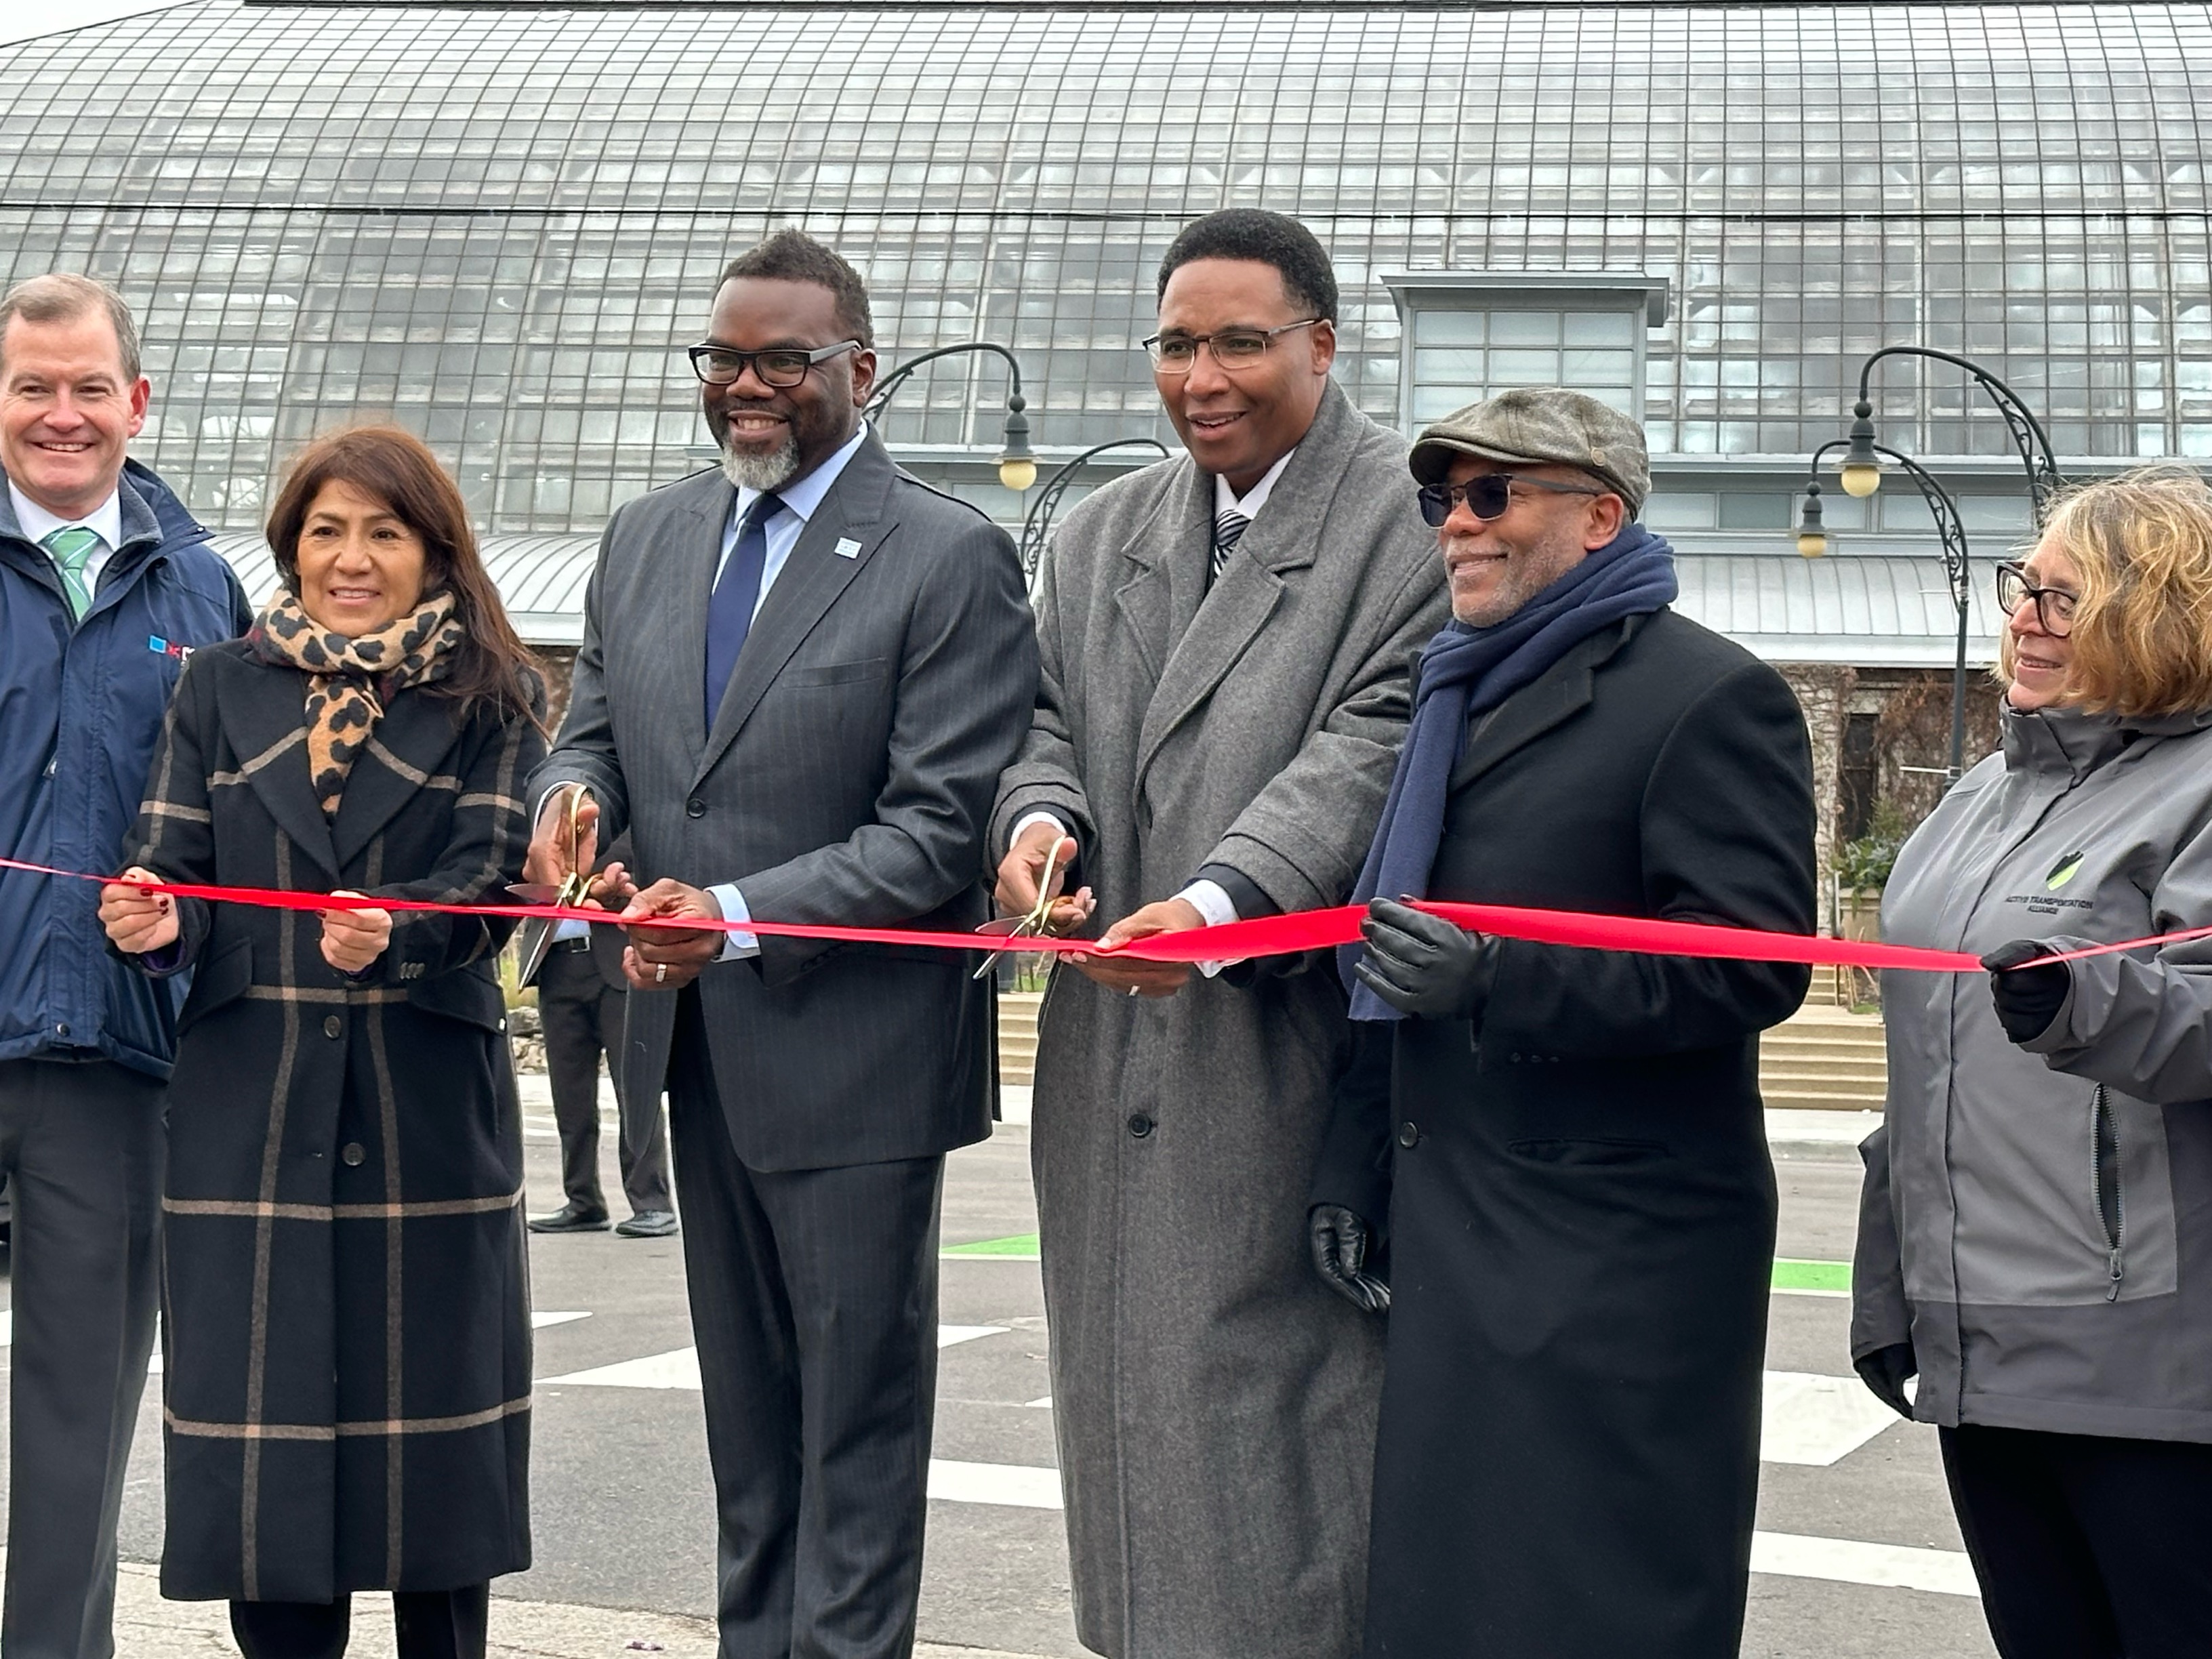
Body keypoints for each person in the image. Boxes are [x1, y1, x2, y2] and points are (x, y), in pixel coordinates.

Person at [527, 230, 1037, 1659]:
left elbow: (939, 831)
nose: (747, 388)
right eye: (723, 360)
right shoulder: (648, 537)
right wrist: (570, 807)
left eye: (783, 362)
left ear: (858, 369)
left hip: (858, 1066)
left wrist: (736, 921)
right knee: (748, 1437)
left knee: (854, 1439)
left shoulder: (951, 555)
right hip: (692, 1053)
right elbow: (596, 737)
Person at [989, 209, 1448, 1659]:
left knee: (1277, 1411)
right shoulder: (1103, 527)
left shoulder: (1409, 518)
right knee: (1122, 1394)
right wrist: (1040, 830)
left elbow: (1378, 738)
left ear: (1322, 344)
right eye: (1178, 343)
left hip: (1282, 1046)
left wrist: (1217, 900)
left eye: (1241, 341)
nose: (1204, 375)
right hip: (1109, 1041)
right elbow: (1043, 722)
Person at [1321, 387, 1817, 1658]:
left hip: (1615, 1263)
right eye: (1442, 499)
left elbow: (1751, 967)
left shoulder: (1710, 699)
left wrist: (1498, 971)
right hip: (1456, 1230)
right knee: (1448, 1602)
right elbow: (1384, 952)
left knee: (1598, 1599)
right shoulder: (1449, 688)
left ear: (1599, 517)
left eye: (1494, 495)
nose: (1455, 528)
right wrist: (1350, 1161)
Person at [100, 425, 544, 1658]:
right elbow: (175, 868)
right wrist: (151, 920)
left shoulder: (495, 694)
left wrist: (402, 933)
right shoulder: (217, 685)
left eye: (384, 533)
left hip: (424, 1112)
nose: (352, 558)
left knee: (437, 1482)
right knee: (268, 1474)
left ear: (431, 548)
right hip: (253, 1111)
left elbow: (494, 886)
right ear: (291, 543)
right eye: (326, 530)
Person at [1853, 468, 2212, 1659]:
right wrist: (1888, 1282)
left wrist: (2083, 995)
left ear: (2160, 616)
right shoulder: (1974, 796)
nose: (2023, 618)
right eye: (2025, 589)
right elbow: (1922, 1070)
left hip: (2149, 1359)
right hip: (1976, 1344)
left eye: (2065, 600)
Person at [0, 272, 251, 1659]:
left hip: (115, 1057)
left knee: (76, 1424)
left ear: (136, 401)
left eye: (89, 386)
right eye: (33, 385)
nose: (61, 414)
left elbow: (242, 831)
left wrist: (189, 917)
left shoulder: (203, 588)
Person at [527, 834, 676, 1239]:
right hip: (557, 966)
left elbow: (641, 872)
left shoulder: (621, 821)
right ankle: (583, 1201)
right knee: (569, 1096)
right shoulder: (543, 830)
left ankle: (652, 1203)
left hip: (614, 963)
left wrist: (593, 881)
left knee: (635, 1090)